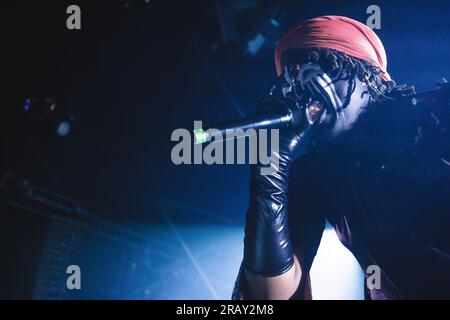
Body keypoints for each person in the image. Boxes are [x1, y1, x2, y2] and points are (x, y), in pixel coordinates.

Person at [232, 15, 450, 300]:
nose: (307, 93)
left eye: (320, 70)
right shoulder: (317, 175)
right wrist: (269, 166)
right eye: (294, 84)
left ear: (367, 74)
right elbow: (271, 296)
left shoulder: (436, 118)